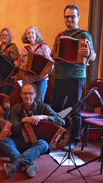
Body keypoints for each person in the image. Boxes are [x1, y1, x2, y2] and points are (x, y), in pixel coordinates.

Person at [51, 5, 96, 151]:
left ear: (78, 17)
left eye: (72, 16)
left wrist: (88, 53)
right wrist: (53, 54)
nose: (69, 19)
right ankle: (55, 137)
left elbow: (93, 56)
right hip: (59, 76)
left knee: (74, 110)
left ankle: (74, 140)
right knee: (56, 109)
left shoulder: (84, 34)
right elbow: (55, 55)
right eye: (66, 16)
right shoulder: (60, 36)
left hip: (76, 77)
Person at [0, 83, 65, 179]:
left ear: (35, 94)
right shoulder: (16, 108)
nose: (27, 96)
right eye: (25, 93)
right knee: (4, 141)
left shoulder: (43, 107)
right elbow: (13, 130)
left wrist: (44, 117)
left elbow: (61, 121)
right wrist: (23, 121)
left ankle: (15, 165)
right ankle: (27, 166)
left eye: (30, 93)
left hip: (36, 144)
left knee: (43, 143)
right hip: (20, 142)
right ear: (21, 95)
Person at [0, 28, 19, 119]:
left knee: (5, 101)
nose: (4, 37)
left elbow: (16, 62)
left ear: (9, 37)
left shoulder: (12, 47)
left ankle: (5, 121)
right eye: (2, 35)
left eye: (6, 35)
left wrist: (14, 73)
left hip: (8, 79)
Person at [20, 26, 54, 103]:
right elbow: (21, 65)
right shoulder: (24, 49)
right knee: (28, 102)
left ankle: (37, 116)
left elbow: (51, 63)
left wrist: (47, 71)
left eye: (32, 33)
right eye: (28, 33)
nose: (30, 35)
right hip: (27, 80)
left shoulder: (44, 47)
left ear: (37, 35)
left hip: (40, 80)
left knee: (38, 102)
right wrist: (21, 67)